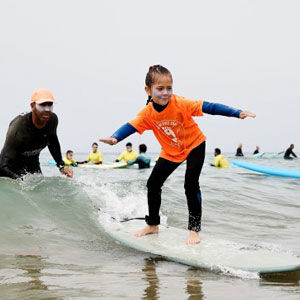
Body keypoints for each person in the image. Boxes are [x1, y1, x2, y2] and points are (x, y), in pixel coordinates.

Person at [100, 65, 255, 245]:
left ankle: (194, 230)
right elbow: (131, 126)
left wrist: (236, 113)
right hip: (171, 151)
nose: (165, 92)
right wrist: (115, 138)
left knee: (190, 184)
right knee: (153, 184)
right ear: (147, 90)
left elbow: (210, 107)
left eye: (169, 88)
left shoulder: (180, 103)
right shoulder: (147, 114)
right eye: (160, 88)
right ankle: (152, 225)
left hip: (195, 144)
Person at [0, 88, 72, 179]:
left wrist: (61, 166)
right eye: (42, 105)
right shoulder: (18, 129)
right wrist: (19, 181)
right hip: (12, 165)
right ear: (32, 106)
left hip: (33, 161)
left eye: (50, 105)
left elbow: (53, 141)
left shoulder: (52, 120)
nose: (47, 109)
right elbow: (2, 165)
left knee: (39, 189)